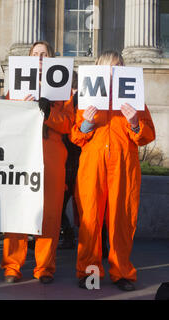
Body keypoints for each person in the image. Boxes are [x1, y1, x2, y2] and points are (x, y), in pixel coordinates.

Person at [71, 51, 155, 291]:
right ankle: (89, 273)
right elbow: (76, 136)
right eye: (107, 68)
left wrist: (134, 122)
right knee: (91, 221)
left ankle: (122, 272)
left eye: (117, 67)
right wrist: (86, 123)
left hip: (124, 166)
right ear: (98, 70)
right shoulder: (87, 100)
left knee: (122, 220)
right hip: (92, 166)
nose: (112, 73)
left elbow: (147, 136)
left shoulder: (134, 100)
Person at [1, 41, 75, 284]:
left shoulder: (61, 88)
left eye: (44, 54)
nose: (40, 58)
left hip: (51, 151)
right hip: (22, 151)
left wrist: (49, 112)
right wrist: (25, 106)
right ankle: (12, 265)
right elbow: (7, 118)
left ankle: (45, 267)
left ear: (51, 57)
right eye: (35, 54)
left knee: (51, 213)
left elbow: (68, 125)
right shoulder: (17, 85)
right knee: (17, 209)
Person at [58, 71, 81, 250]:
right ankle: (68, 234)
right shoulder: (63, 100)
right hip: (69, 157)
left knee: (64, 203)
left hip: (74, 156)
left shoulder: (80, 99)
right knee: (60, 203)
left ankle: (70, 234)